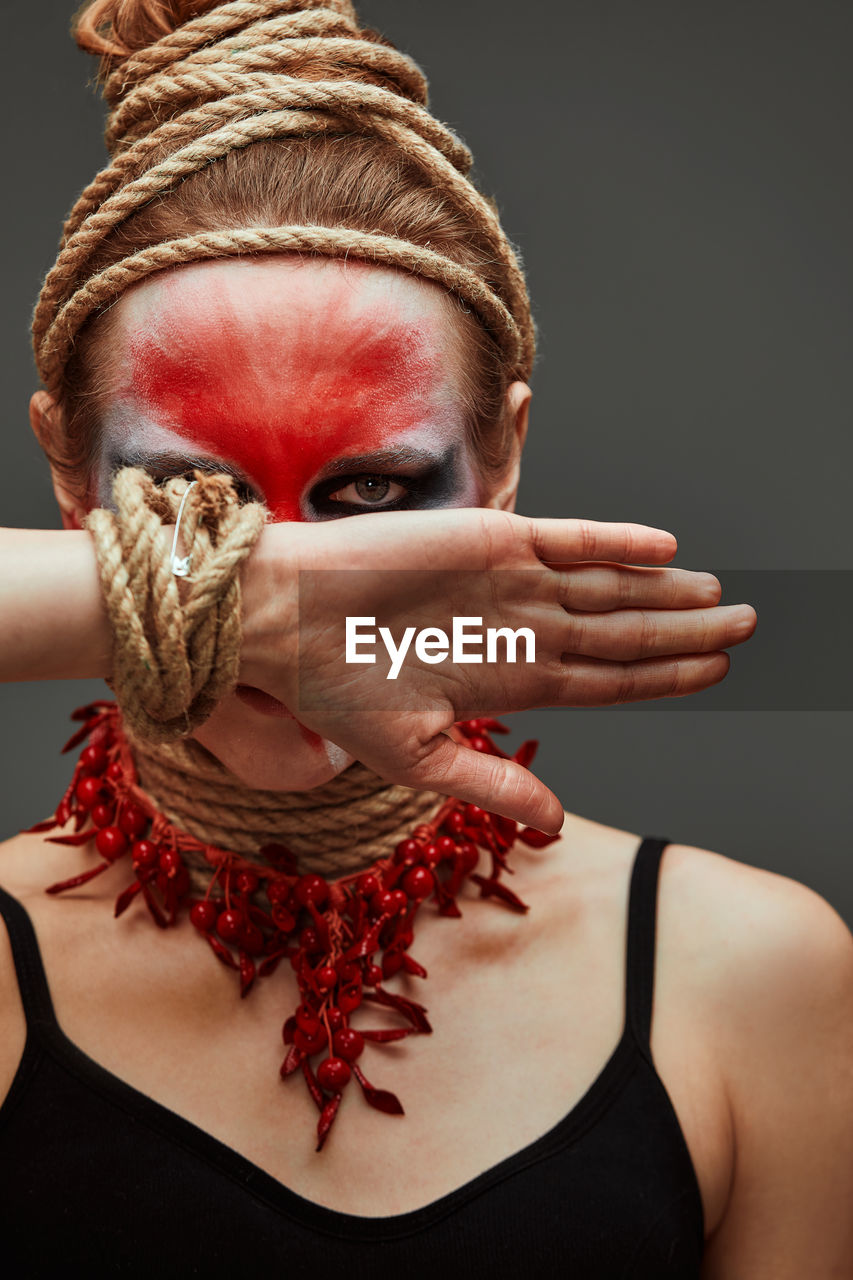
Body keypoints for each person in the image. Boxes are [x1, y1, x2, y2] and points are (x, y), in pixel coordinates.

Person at [0, 1, 850, 1275]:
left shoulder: (751, 977)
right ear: (70, 482)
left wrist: (195, 583)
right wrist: (205, 602)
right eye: (196, 501)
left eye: (373, 494)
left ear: (502, 459)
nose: (300, 598)